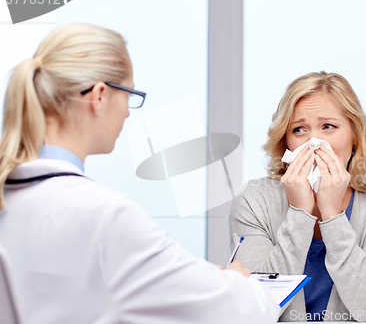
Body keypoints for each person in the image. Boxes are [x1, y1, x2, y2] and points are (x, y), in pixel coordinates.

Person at [0, 23, 279, 324]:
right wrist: (236, 285)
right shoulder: (103, 215)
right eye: (130, 93)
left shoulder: (15, 198)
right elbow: (239, 312)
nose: (128, 112)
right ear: (99, 95)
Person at [229, 71, 366, 322]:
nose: (314, 143)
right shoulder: (253, 200)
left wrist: (333, 214)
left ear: (354, 136)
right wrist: (300, 213)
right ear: (286, 142)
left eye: (328, 127)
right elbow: (256, 306)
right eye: (299, 129)